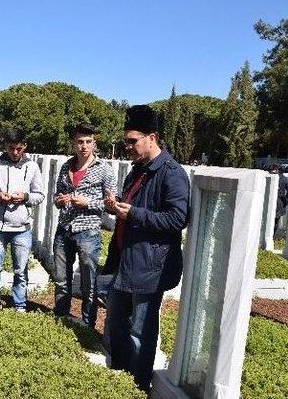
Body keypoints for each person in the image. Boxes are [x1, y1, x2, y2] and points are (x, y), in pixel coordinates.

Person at [102, 104, 189, 392]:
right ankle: (120, 377)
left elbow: (177, 219)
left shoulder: (171, 173)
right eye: (126, 140)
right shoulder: (137, 170)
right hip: (126, 260)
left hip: (150, 266)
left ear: (151, 138)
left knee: (141, 331)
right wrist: (116, 207)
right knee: (115, 321)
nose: (127, 146)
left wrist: (134, 214)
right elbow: (133, 208)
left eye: (132, 141)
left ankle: (138, 386)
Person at [52, 123, 116, 327]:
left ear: (94, 143)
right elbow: (56, 195)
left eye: (88, 142)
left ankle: (87, 324)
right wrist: (59, 200)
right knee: (61, 278)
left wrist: (89, 203)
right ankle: (61, 316)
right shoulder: (66, 167)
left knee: (89, 281)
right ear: (73, 143)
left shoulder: (104, 170)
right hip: (64, 229)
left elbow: (111, 204)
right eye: (80, 142)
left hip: (88, 231)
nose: (84, 146)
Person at [0, 129, 45, 311]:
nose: (15, 152)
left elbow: (39, 195)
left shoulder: (32, 167)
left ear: (24, 146)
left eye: (19, 148)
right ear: (5, 146)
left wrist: (25, 197)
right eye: (11, 148)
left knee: (21, 269)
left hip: (22, 228)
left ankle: (19, 304)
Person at [270, 164, 288, 237]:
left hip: (279, 203)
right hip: (277, 203)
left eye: (273, 171)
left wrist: (286, 200)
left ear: (277, 171)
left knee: (275, 221)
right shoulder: (283, 178)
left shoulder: (282, 179)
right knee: (273, 220)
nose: (271, 172)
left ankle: (272, 236)